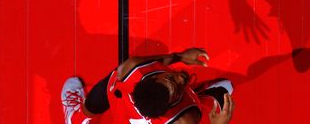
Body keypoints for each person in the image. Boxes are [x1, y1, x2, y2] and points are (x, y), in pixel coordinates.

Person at [61, 47, 235, 124]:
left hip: (123, 110)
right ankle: (199, 96)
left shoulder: (131, 70)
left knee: (112, 84)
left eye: (170, 78)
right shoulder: (185, 119)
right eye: (177, 89)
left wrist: (180, 56)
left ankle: (76, 118)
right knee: (193, 102)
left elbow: (158, 62)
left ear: (152, 79)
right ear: (168, 109)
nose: (181, 79)